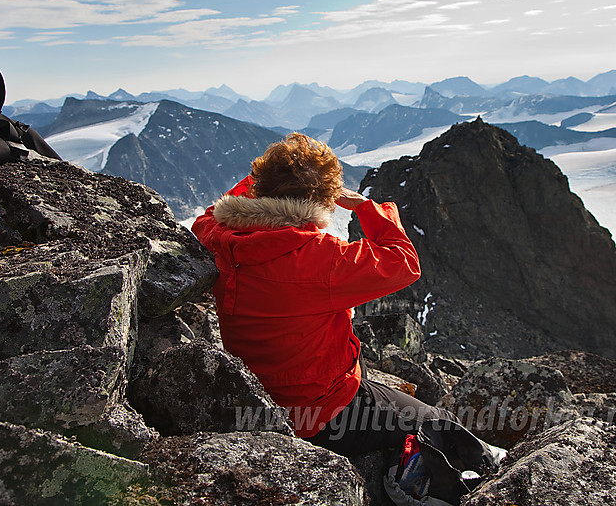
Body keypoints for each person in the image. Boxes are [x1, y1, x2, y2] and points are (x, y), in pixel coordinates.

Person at [191, 133, 460, 457]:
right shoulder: (321, 258)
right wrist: (365, 206)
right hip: (322, 412)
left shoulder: (216, 233)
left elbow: (210, 212)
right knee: (443, 425)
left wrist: (269, 177)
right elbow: (404, 263)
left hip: (254, 398)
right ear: (322, 200)